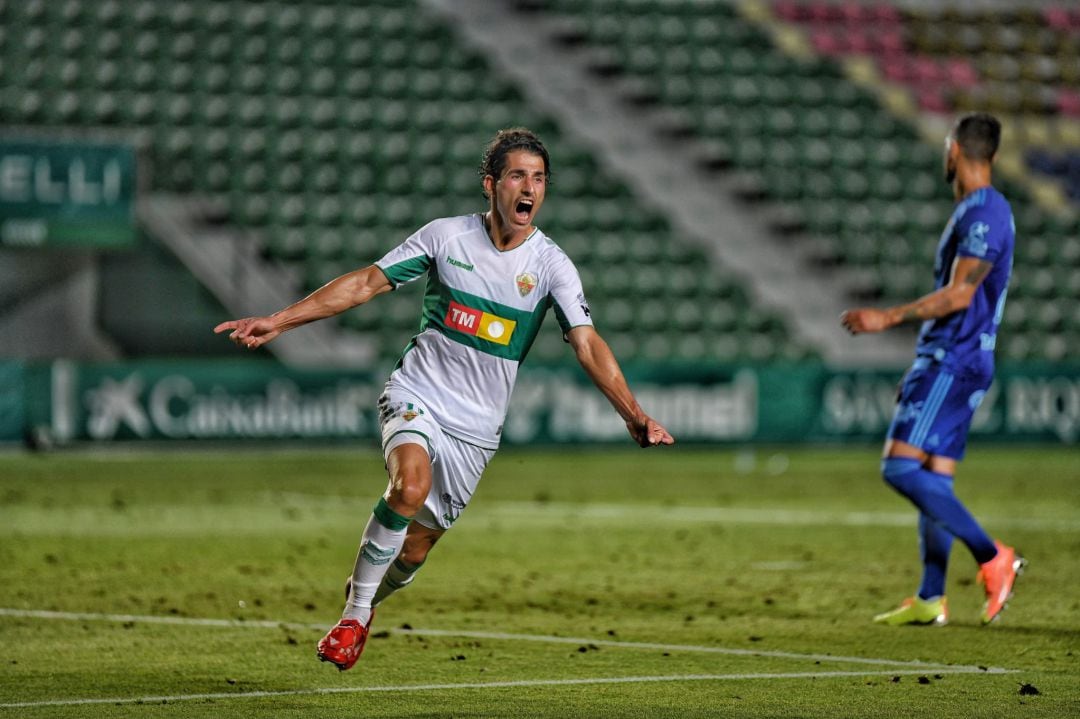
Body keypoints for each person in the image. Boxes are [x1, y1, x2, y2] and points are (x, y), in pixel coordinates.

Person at [215, 127, 674, 669]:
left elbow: (586, 342)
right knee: (409, 485)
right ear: (491, 184)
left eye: (540, 178)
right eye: (518, 175)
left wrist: (634, 414)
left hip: (476, 430)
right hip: (418, 393)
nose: (530, 187)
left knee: (412, 552)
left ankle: (366, 596)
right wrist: (281, 320)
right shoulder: (446, 238)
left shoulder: (552, 266)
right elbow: (367, 282)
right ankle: (354, 615)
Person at [840, 113, 1024, 626]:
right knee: (932, 478)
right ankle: (930, 597)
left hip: (956, 356)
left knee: (899, 467)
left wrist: (888, 316)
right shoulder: (975, 209)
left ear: (955, 149)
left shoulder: (985, 209)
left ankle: (993, 555)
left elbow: (961, 293)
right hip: (953, 358)